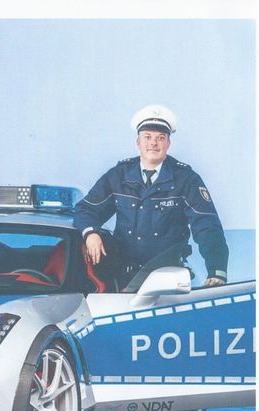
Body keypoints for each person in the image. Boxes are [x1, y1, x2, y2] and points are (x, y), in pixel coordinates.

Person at [74, 105, 228, 289]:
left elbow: (207, 226)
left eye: (160, 138)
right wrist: (90, 233)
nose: (153, 143)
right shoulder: (118, 175)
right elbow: (85, 209)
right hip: (123, 277)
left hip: (168, 277)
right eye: (147, 137)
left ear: (168, 144)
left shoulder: (186, 179)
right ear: (137, 142)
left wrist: (217, 271)